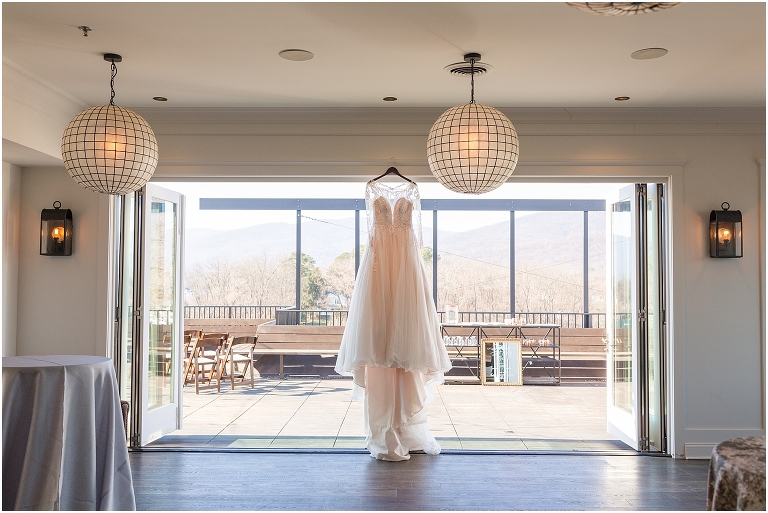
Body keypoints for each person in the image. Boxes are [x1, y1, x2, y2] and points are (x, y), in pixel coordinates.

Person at [335, 178, 452, 461]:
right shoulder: (371, 191)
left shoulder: (412, 191)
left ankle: (406, 432)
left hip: (405, 274)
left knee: (404, 357)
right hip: (379, 274)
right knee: (379, 355)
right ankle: (384, 434)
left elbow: (417, 239)